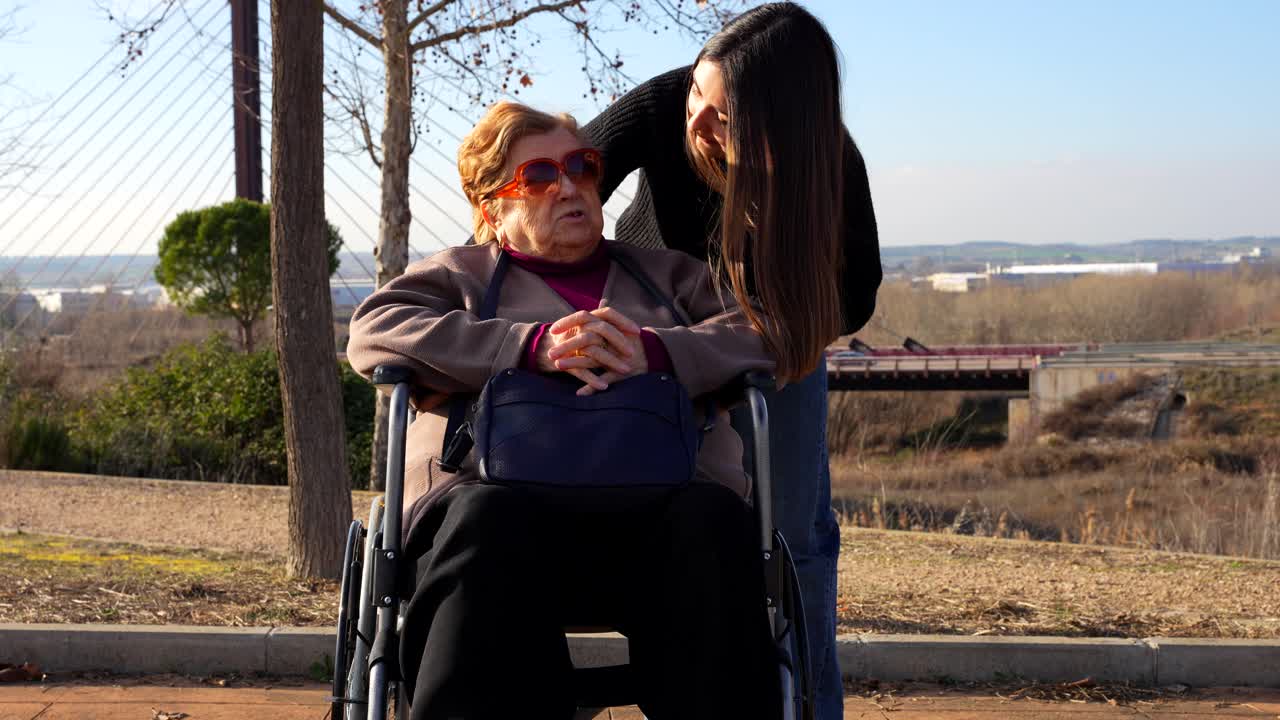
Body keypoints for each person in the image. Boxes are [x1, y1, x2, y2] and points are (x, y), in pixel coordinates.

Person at [346, 101, 782, 720]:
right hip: (496, 516)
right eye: (541, 176)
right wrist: (524, 347)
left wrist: (655, 350)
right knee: (482, 516)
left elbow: (766, 335)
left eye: (582, 166)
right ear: (492, 205)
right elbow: (372, 332)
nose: (571, 186)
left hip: (658, 516)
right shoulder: (457, 278)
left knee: (711, 521)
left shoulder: (669, 278)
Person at [582, 4, 883, 716]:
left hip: (766, 344)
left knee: (794, 540)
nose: (696, 123)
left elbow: (852, 299)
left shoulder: (829, 165)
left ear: (779, 123)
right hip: (649, 325)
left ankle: (807, 704)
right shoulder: (659, 104)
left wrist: (761, 318)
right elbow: (560, 179)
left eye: (722, 118)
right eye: (698, 95)